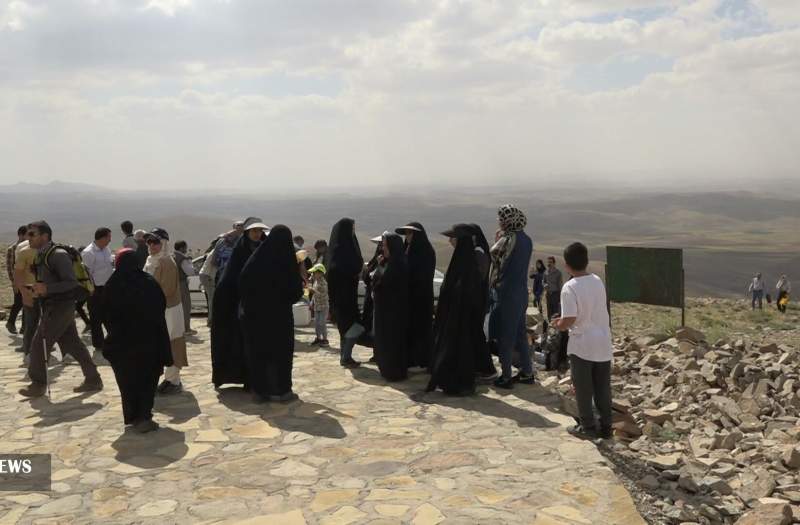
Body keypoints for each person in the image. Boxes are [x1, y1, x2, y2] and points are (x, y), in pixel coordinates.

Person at [19, 220, 103, 398]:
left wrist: (47, 289)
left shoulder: (57, 255)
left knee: (38, 344)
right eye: (27, 234)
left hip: (60, 306)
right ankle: (93, 379)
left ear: (45, 236)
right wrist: (37, 288)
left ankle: (38, 384)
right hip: (55, 305)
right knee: (72, 343)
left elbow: (70, 283)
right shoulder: (42, 255)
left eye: (32, 234)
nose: (28, 238)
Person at [102, 249, 173, 433]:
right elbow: (160, 306)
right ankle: (144, 416)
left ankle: (133, 415)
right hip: (149, 343)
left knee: (127, 382)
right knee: (147, 380)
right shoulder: (149, 283)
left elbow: (105, 313)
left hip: (121, 344)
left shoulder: (112, 284)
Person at [552, 242, 613, 440]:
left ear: (567, 265)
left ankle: (587, 426)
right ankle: (606, 426)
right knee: (602, 387)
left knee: (584, 388)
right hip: (603, 341)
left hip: (582, 344)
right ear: (586, 262)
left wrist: (558, 324)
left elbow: (569, 319)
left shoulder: (570, 287)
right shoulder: (597, 280)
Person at [239, 225, 304, 402]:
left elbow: (243, 283)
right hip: (280, 318)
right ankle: (281, 391)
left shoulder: (256, 259)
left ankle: (260, 391)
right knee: (280, 353)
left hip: (255, 317)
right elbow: (296, 292)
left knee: (258, 353)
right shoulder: (287, 261)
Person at [427, 224, 484, 396]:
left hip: (458, 318)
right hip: (455, 317)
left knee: (457, 350)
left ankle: (457, 383)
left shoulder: (467, 265)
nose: (450, 241)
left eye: (453, 238)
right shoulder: (462, 261)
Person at [210, 218, 268, 388]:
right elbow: (231, 279)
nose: (257, 234)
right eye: (254, 231)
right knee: (240, 342)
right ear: (247, 233)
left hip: (260, 306)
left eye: (259, 231)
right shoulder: (240, 251)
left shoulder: (264, 249)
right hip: (239, 305)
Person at [488, 204, 534, 389]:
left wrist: (497, 238)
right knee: (520, 333)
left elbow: (495, 256)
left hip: (507, 292)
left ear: (508, 221)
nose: (500, 221)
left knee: (505, 335)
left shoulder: (508, 239)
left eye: (502, 219)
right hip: (521, 292)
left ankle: (506, 376)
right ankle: (527, 372)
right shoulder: (527, 239)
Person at [144, 228, 187, 395]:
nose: (152, 245)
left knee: (172, 343)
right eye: (149, 242)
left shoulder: (167, 262)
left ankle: (173, 380)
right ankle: (169, 378)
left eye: (156, 242)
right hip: (157, 309)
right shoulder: (151, 260)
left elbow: (166, 290)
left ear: (164, 243)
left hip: (169, 309)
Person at [397, 222, 435, 369]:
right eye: (406, 233)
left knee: (421, 328)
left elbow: (422, 275)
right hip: (409, 297)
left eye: (410, 233)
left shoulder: (426, 251)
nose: (407, 236)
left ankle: (424, 359)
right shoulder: (407, 249)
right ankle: (411, 358)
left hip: (421, 296)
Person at [327, 218, 364, 368]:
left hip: (347, 297)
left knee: (348, 326)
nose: (354, 231)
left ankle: (345, 356)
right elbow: (353, 267)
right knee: (349, 326)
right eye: (352, 228)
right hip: (343, 298)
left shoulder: (340, 251)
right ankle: (345, 356)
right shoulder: (339, 256)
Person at [372, 232, 409, 382]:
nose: (383, 249)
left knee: (393, 342)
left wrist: (380, 268)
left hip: (393, 311)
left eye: (386, 246)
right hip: (387, 310)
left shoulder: (397, 264)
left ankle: (393, 370)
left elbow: (382, 283)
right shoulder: (393, 262)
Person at [467, 223, 497, 381]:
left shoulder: (479, 252)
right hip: (479, 298)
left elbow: (478, 276)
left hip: (478, 299)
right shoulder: (479, 251)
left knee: (477, 335)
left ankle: (487, 369)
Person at [82, 227, 114, 350]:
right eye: (108, 238)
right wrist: (91, 289)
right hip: (95, 289)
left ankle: (112, 341)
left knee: (109, 316)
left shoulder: (106, 250)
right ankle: (99, 345)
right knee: (96, 318)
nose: (110, 240)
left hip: (107, 288)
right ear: (102, 238)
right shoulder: (89, 252)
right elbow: (86, 273)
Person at [14, 227, 39, 360]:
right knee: (31, 324)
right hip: (30, 292)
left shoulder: (47, 250)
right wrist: (23, 292)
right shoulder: (23, 250)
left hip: (46, 292)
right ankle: (28, 352)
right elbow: (18, 272)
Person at [5, 225, 28, 334]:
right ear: (20, 235)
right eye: (26, 235)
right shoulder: (12, 249)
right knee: (19, 303)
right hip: (18, 281)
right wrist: (14, 282)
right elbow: (10, 267)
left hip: (28, 281)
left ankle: (24, 327)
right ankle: (11, 322)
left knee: (27, 304)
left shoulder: (29, 248)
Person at [173, 240, 196, 335]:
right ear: (182, 248)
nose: (186, 250)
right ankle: (186, 329)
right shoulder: (182, 258)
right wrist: (190, 262)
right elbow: (190, 272)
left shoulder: (172, 256)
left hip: (173, 284)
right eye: (185, 247)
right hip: (182, 284)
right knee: (186, 306)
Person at [199, 239, 220, 327]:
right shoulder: (216, 251)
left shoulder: (214, 251)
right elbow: (214, 263)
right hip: (207, 276)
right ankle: (211, 321)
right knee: (212, 299)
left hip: (206, 275)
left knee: (211, 299)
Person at [309, 264, 330, 347]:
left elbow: (322, 295)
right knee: (317, 323)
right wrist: (311, 302)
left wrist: (313, 291)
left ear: (320, 273)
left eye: (314, 273)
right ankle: (318, 338)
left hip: (323, 306)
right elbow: (314, 295)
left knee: (322, 323)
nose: (313, 275)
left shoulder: (323, 283)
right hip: (317, 306)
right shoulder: (316, 282)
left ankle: (325, 339)